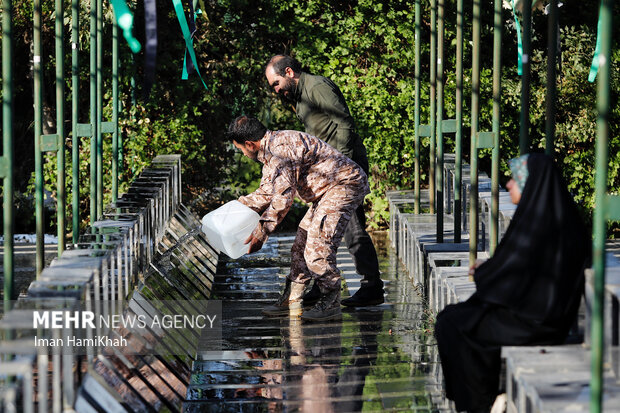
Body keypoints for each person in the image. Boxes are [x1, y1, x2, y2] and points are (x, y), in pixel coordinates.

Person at [434, 153, 590, 413]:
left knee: (454, 324)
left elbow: (513, 273)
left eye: (515, 180)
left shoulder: (543, 225)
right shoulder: (549, 217)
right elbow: (517, 268)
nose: (508, 185)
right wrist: (490, 270)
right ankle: (482, 398)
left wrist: (486, 273)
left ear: (530, 185)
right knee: (456, 318)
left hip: (537, 322)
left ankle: (480, 403)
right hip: (536, 314)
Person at [265, 55, 385, 307]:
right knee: (320, 229)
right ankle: (322, 287)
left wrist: (342, 166)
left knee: (353, 228)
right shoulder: (299, 96)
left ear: (288, 72)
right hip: (329, 170)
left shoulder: (317, 86)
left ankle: (371, 287)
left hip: (343, 169)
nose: (275, 90)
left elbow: (344, 124)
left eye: (276, 83)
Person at [228, 115, 370, 321]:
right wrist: (235, 207)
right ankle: (292, 299)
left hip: (344, 185)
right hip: (326, 192)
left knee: (317, 246)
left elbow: (282, 199)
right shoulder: (271, 152)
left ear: (249, 144)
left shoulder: (281, 149)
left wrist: (262, 232)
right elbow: (268, 191)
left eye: (240, 148)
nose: (242, 153)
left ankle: (330, 301)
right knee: (300, 246)